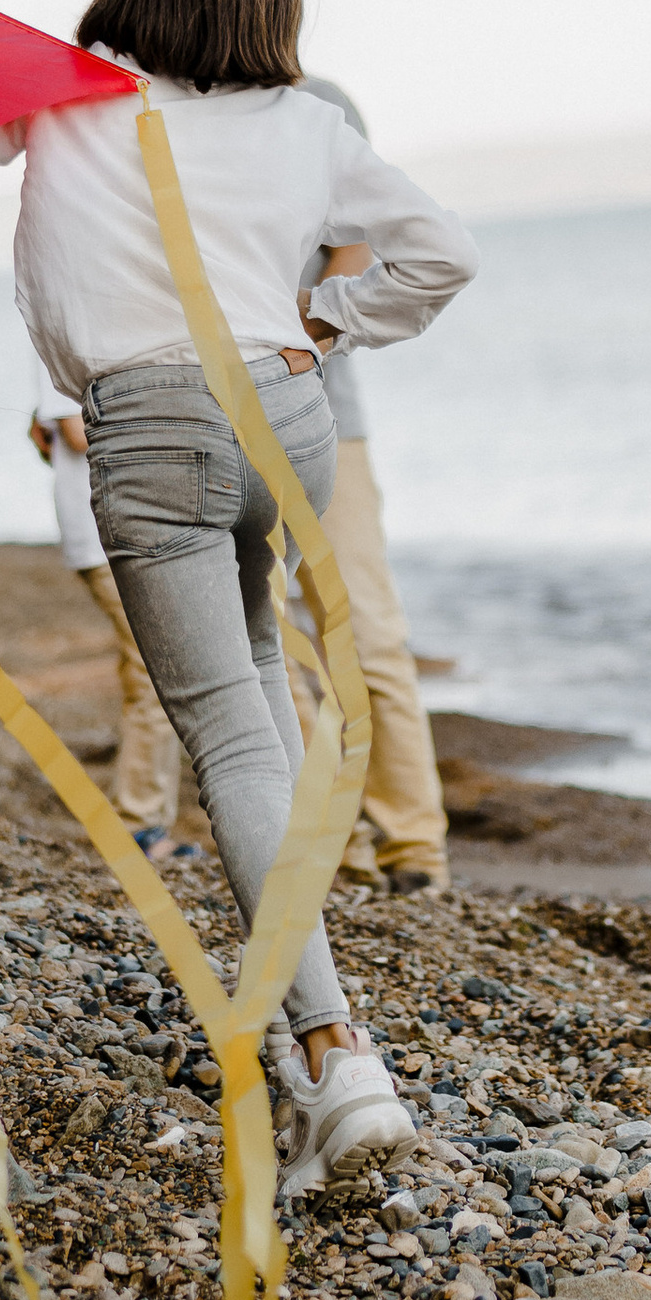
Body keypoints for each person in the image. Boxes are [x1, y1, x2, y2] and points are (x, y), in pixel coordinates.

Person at [0, 0, 478, 1201]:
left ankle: (338, 1056)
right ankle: (315, 1041)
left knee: (231, 735)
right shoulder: (307, 124)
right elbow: (440, 253)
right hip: (290, 418)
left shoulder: (61, 96)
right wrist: (326, 324)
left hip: (158, 426)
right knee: (258, 674)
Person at [291, 74, 451, 899]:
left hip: (322, 406)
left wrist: (291, 321)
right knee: (271, 641)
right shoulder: (166, 114)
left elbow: (359, 252)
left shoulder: (319, 103)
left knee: (364, 627)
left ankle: (411, 843)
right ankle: (333, 841)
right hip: (209, 409)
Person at [29, 387, 188, 850]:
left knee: (148, 669)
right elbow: (79, 434)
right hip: (108, 531)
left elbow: (50, 434)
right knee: (156, 670)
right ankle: (139, 825)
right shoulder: (66, 320)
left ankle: (141, 819)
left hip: (115, 526)